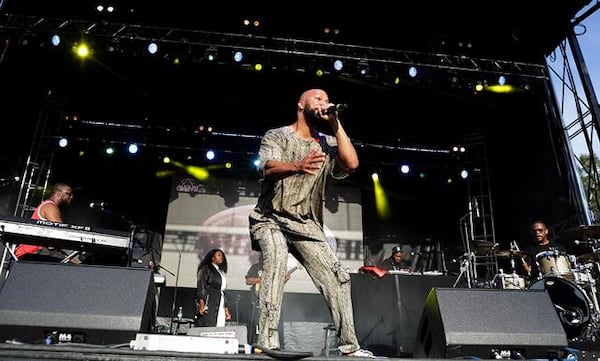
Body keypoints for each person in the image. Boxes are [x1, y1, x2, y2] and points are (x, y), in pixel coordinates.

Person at [248, 89, 373, 357]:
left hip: (306, 224)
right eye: (317, 98)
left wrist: (335, 123)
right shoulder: (277, 135)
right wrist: (297, 165)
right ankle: (266, 342)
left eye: (326, 99)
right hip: (270, 217)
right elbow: (267, 168)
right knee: (276, 262)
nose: (323, 102)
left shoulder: (327, 144)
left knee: (338, 278)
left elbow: (351, 162)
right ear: (300, 104)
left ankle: (350, 347)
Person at [13, 182, 82, 264]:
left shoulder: (49, 205)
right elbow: (61, 234)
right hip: (34, 251)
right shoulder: (50, 207)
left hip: (37, 251)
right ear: (58, 194)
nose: (71, 197)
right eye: (69, 194)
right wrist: (74, 256)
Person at [245, 251, 292, 345]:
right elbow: (248, 281)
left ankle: (274, 345)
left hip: (272, 300)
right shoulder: (255, 267)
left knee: (273, 324)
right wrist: (263, 279)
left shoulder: (276, 268)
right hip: (257, 300)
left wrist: (284, 279)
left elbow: (278, 284)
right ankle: (255, 345)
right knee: (256, 325)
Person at [195, 248, 232, 327]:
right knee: (209, 324)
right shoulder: (206, 268)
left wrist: (226, 309)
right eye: (218, 255)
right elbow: (201, 285)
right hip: (210, 300)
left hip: (219, 300)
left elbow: (223, 291)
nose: (221, 257)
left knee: (219, 323)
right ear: (212, 258)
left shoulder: (220, 272)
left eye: (222, 256)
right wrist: (202, 304)